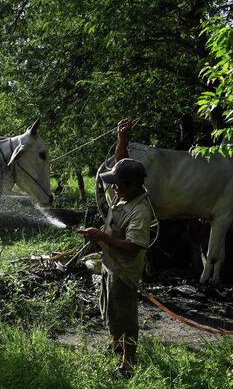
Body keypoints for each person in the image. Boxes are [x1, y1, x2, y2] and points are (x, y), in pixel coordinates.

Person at [76, 119, 153, 377]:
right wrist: (122, 139)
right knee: (108, 310)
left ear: (132, 186)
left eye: (117, 184)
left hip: (124, 272)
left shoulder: (139, 211)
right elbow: (122, 166)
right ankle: (115, 346)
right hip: (110, 266)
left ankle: (127, 364)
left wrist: (101, 237)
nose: (114, 188)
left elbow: (132, 248)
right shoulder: (125, 192)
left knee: (125, 319)